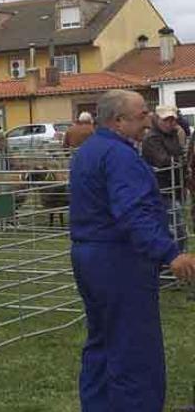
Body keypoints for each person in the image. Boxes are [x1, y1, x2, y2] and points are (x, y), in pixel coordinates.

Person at [70, 90, 195, 412]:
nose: (148, 119)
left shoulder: (89, 151)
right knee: (134, 348)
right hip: (118, 260)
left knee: (102, 341)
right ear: (118, 120)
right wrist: (170, 253)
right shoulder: (120, 157)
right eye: (141, 115)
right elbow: (133, 213)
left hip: (89, 256)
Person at [142, 106, 187, 251]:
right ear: (157, 120)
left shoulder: (173, 135)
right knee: (175, 226)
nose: (170, 123)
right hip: (161, 188)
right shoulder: (152, 138)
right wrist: (180, 161)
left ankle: (174, 259)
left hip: (175, 185)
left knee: (175, 225)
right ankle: (174, 259)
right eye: (166, 120)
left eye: (172, 119)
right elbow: (162, 160)